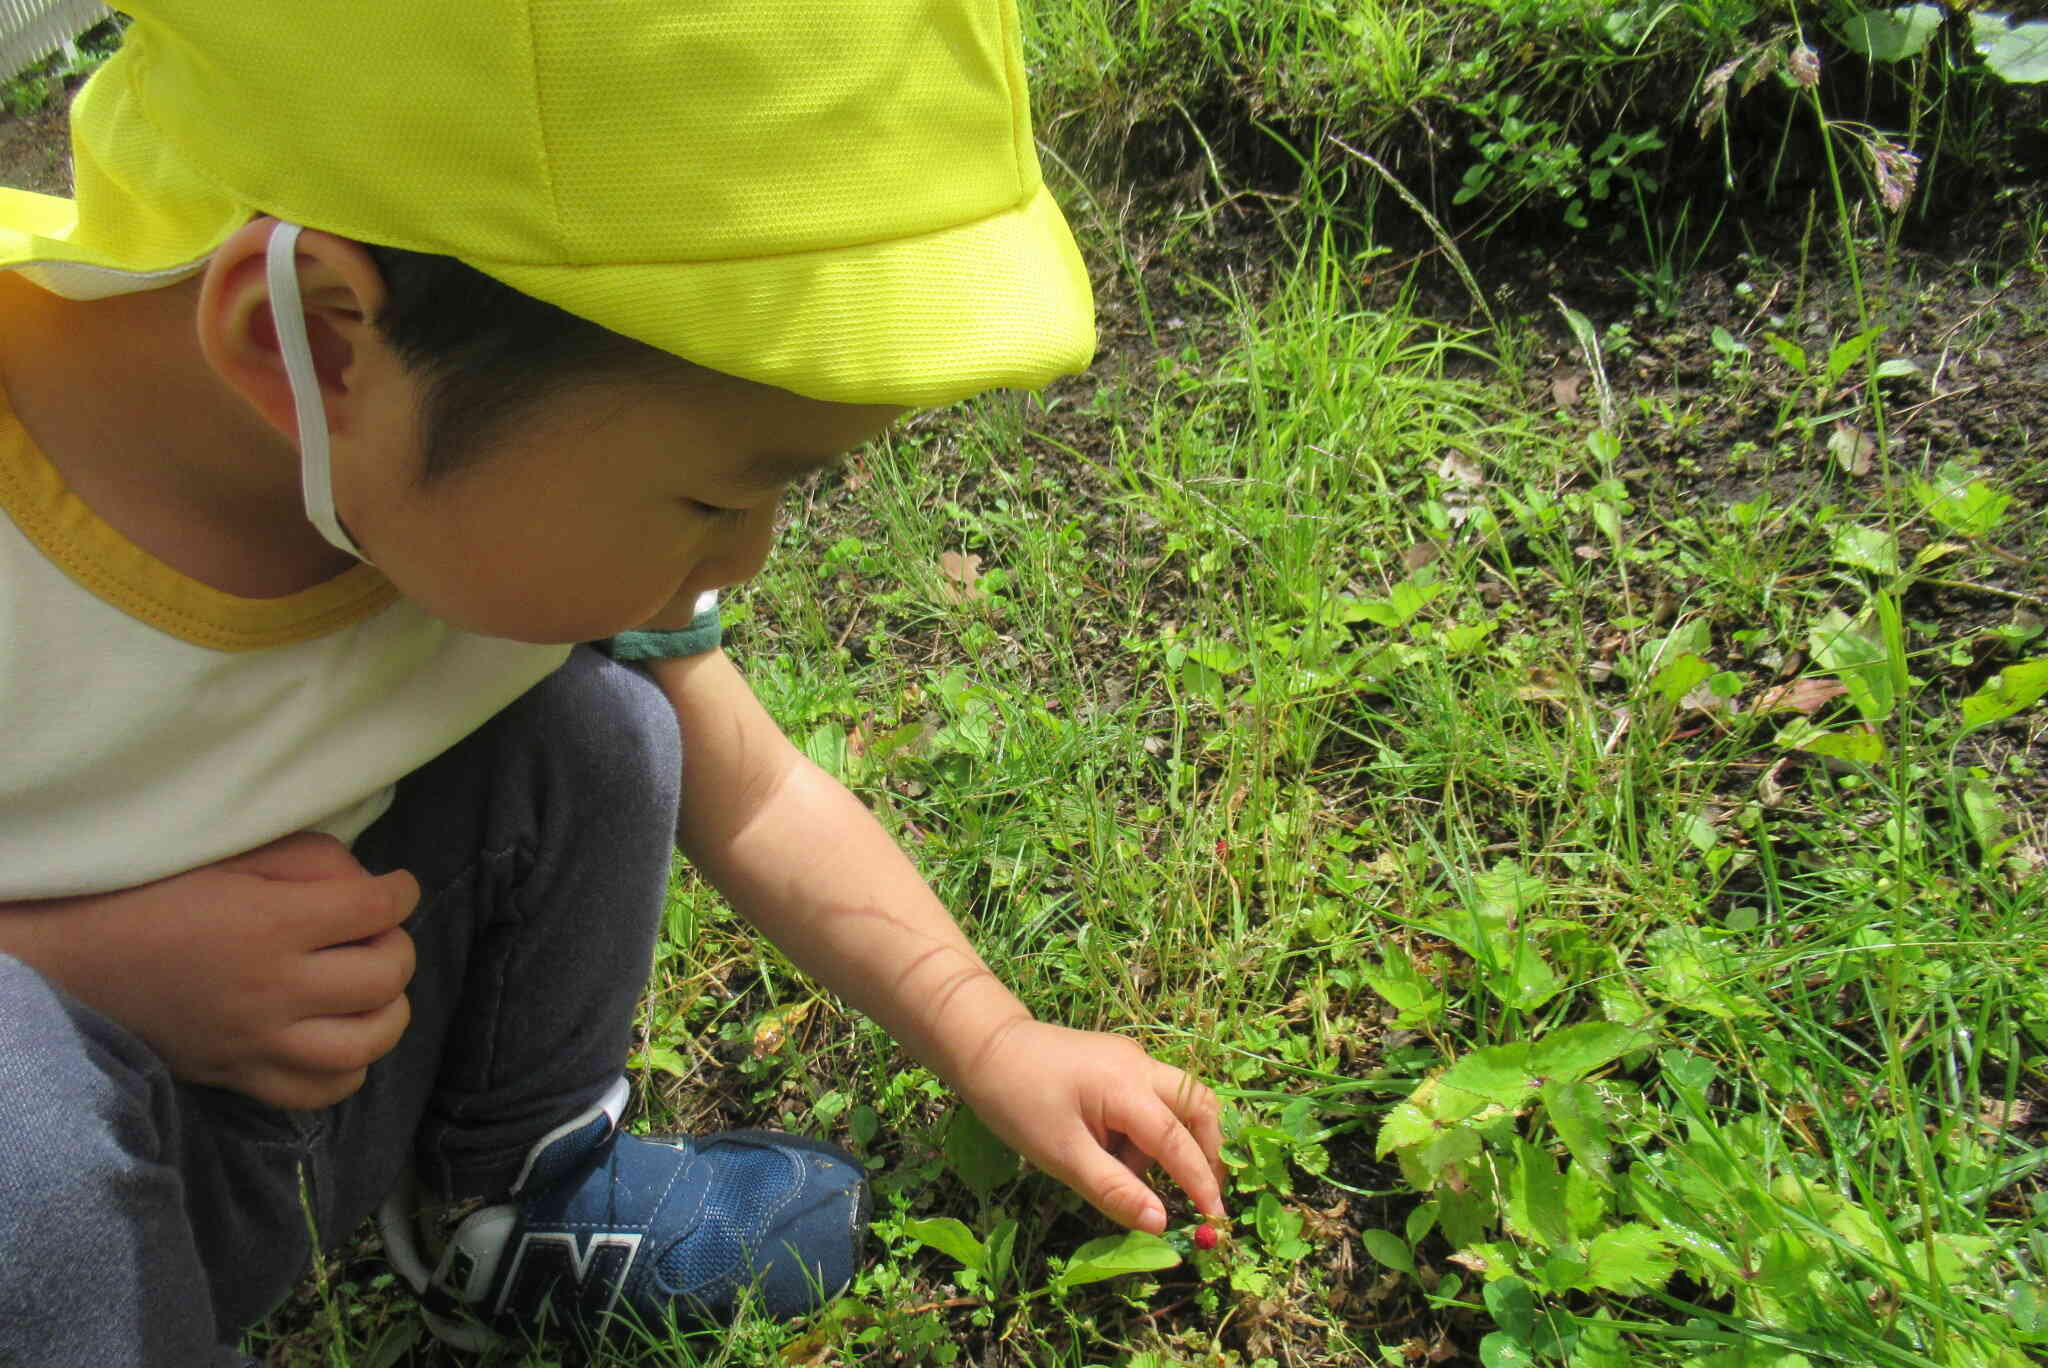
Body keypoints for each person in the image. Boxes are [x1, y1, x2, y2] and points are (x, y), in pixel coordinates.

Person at [0, 2, 1228, 1362]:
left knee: (602, 731)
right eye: (716, 497)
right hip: (51, 1239)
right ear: (326, 343)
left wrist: (995, 1038)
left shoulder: (421, 474)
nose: (749, 558)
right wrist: (78, 971)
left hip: (276, 1119)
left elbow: (753, 793)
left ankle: (511, 1200)